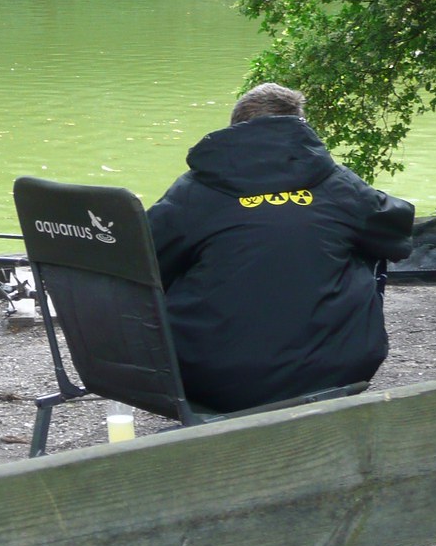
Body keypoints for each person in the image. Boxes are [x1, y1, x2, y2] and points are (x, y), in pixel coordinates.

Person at [146, 83, 414, 413]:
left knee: (172, 260)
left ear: (234, 129)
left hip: (213, 380)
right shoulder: (337, 183)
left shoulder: (193, 191)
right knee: (368, 241)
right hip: (336, 373)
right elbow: (396, 232)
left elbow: (146, 259)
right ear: (300, 126)